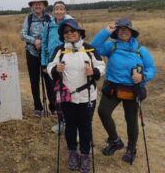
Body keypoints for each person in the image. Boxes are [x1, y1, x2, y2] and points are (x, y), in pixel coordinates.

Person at [91, 18, 156, 164]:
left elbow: (152, 68)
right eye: (120, 29)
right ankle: (115, 141)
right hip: (113, 88)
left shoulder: (141, 50)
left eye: (127, 29)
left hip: (132, 90)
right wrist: (106, 31)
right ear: (116, 32)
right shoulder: (111, 46)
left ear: (131, 32)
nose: (124, 32)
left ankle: (131, 149)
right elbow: (94, 47)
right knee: (103, 112)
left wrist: (143, 77)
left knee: (131, 120)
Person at [47, 19, 105, 173]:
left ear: (79, 32)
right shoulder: (60, 50)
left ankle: (85, 154)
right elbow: (50, 66)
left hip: (87, 96)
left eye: (72, 30)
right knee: (70, 126)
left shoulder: (89, 49)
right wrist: (55, 69)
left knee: (85, 127)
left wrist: (94, 71)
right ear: (63, 35)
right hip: (68, 97)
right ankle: (73, 152)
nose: (70, 33)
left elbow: (101, 65)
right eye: (66, 32)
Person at [21, 0, 55, 117]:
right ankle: (37, 107)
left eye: (40, 4)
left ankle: (53, 107)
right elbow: (23, 34)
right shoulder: (29, 18)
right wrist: (35, 41)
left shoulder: (49, 18)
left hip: (46, 54)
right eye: (35, 4)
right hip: (32, 52)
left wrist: (44, 42)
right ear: (32, 6)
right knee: (34, 80)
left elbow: (53, 33)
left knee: (49, 80)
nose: (37, 6)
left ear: (44, 5)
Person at [40, 0, 72, 132]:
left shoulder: (70, 25)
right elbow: (43, 44)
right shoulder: (49, 25)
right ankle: (61, 122)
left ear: (65, 10)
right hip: (51, 65)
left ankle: (71, 123)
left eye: (61, 9)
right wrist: (44, 63)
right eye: (56, 9)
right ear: (53, 12)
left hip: (67, 65)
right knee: (56, 95)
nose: (58, 11)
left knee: (68, 94)